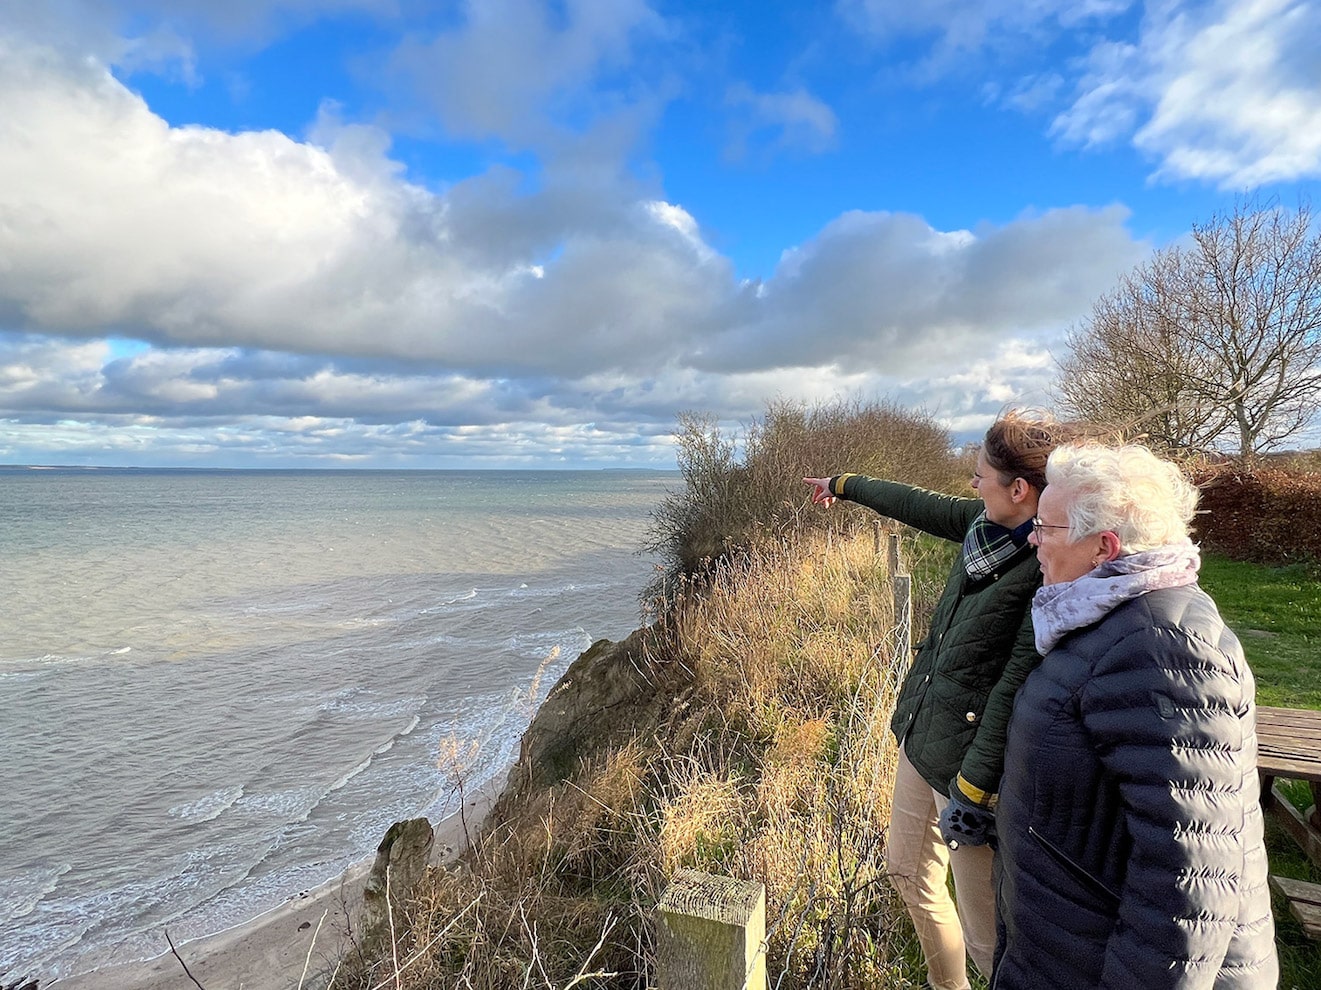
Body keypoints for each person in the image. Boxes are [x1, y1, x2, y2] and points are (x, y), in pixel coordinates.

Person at [993, 443, 1278, 989]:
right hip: (1075, 944)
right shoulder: (1110, 620)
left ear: (1104, 547)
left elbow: (1191, 878)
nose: (1032, 537)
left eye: (1046, 527)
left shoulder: (1162, 647)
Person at [804, 410, 1071, 990]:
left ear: (1019, 491)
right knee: (906, 872)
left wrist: (972, 790)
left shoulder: (1047, 566)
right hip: (925, 737)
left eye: (981, 476)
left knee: (988, 939)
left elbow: (1014, 685)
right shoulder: (983, 528)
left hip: (974, 776)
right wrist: (843, 485)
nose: (972, 485)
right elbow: (916, 503)